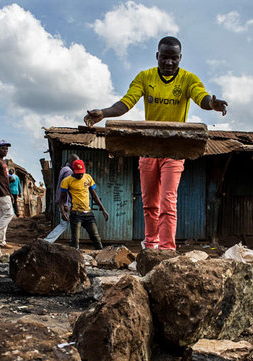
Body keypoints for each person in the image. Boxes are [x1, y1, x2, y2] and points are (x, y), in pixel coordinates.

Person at [84, 36, 227, 250]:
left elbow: (202, 97)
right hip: (148, 149)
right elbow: (126, 103)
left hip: (175, 150)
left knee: (168, 202)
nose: (169, 63)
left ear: (180, 58)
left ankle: (167, 249)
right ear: (157, 56)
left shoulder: (189, 80)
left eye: (174, 58)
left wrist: (212, 104)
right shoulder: (145, 77)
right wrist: (103, 113)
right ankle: (150, 246)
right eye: (164, 58)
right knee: (149, 204)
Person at [59, 159, 108, 250]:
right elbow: (61, 199)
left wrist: (103, 209)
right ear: (73, 170)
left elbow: (94, 195)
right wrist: (62, 212)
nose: (80, 175)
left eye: (82, 173)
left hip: (88, 214)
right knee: (75, 242)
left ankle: (102, 259)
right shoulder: (67, 181)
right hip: (76, 214)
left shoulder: (88, 177)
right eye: (78, 173)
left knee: (96, 239)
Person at [44, 153, 79, 243]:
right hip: (65, 202)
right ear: (71, 161)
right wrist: (66, 204)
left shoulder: (64, 169)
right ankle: (47, 241)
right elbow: (65, 189)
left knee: (71, 224)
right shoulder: (69, 172)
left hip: (62, 201)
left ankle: (74, 244)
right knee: (64, 224)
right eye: (75, 162)